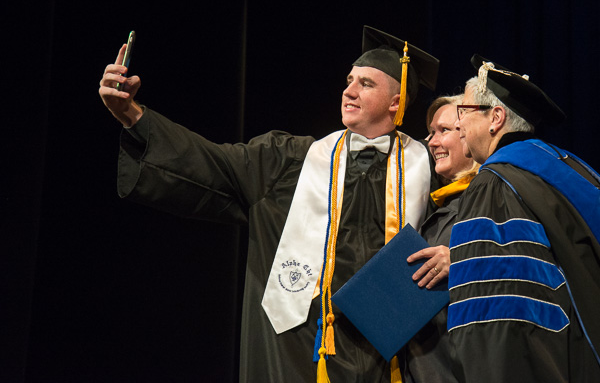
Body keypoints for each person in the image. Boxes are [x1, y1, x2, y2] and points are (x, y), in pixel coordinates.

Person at [99, 26, 442, 382]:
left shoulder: (429, 174)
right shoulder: (288, 162)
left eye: (366, 84)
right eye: (349, 80)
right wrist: (132, 115)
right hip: (297, 354)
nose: (348, 91)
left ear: (396, 103)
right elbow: (210, 162)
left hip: (387, 357)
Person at [448, 54, 600, 382]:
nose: (458, 123)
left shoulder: (496, 185)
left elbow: (501, 320)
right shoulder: (575, 169)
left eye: (464, 111)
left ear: (496, 117)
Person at [398, 94, 478, 383]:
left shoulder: (491, 199)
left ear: (471, 133)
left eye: (444, 130)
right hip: (422, 366)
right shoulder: (435, 205)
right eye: (431, 132)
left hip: (460, 368)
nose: (431, 142)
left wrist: (460, 260)